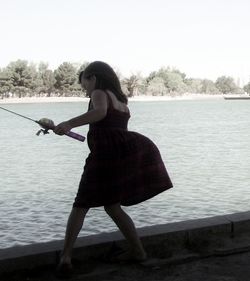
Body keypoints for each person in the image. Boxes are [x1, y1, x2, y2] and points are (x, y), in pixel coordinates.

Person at [54, 61, 173, 275]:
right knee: (112, 206)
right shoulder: (121, 100)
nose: (85, 90)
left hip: (105, 156)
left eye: (85, 84)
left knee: (81, 205)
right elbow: (109, 122)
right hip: (122, 154)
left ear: (93, 78)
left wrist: (69, 123)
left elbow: (99, 113)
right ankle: (138, 251)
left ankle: (65, 257)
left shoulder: (99, 93)